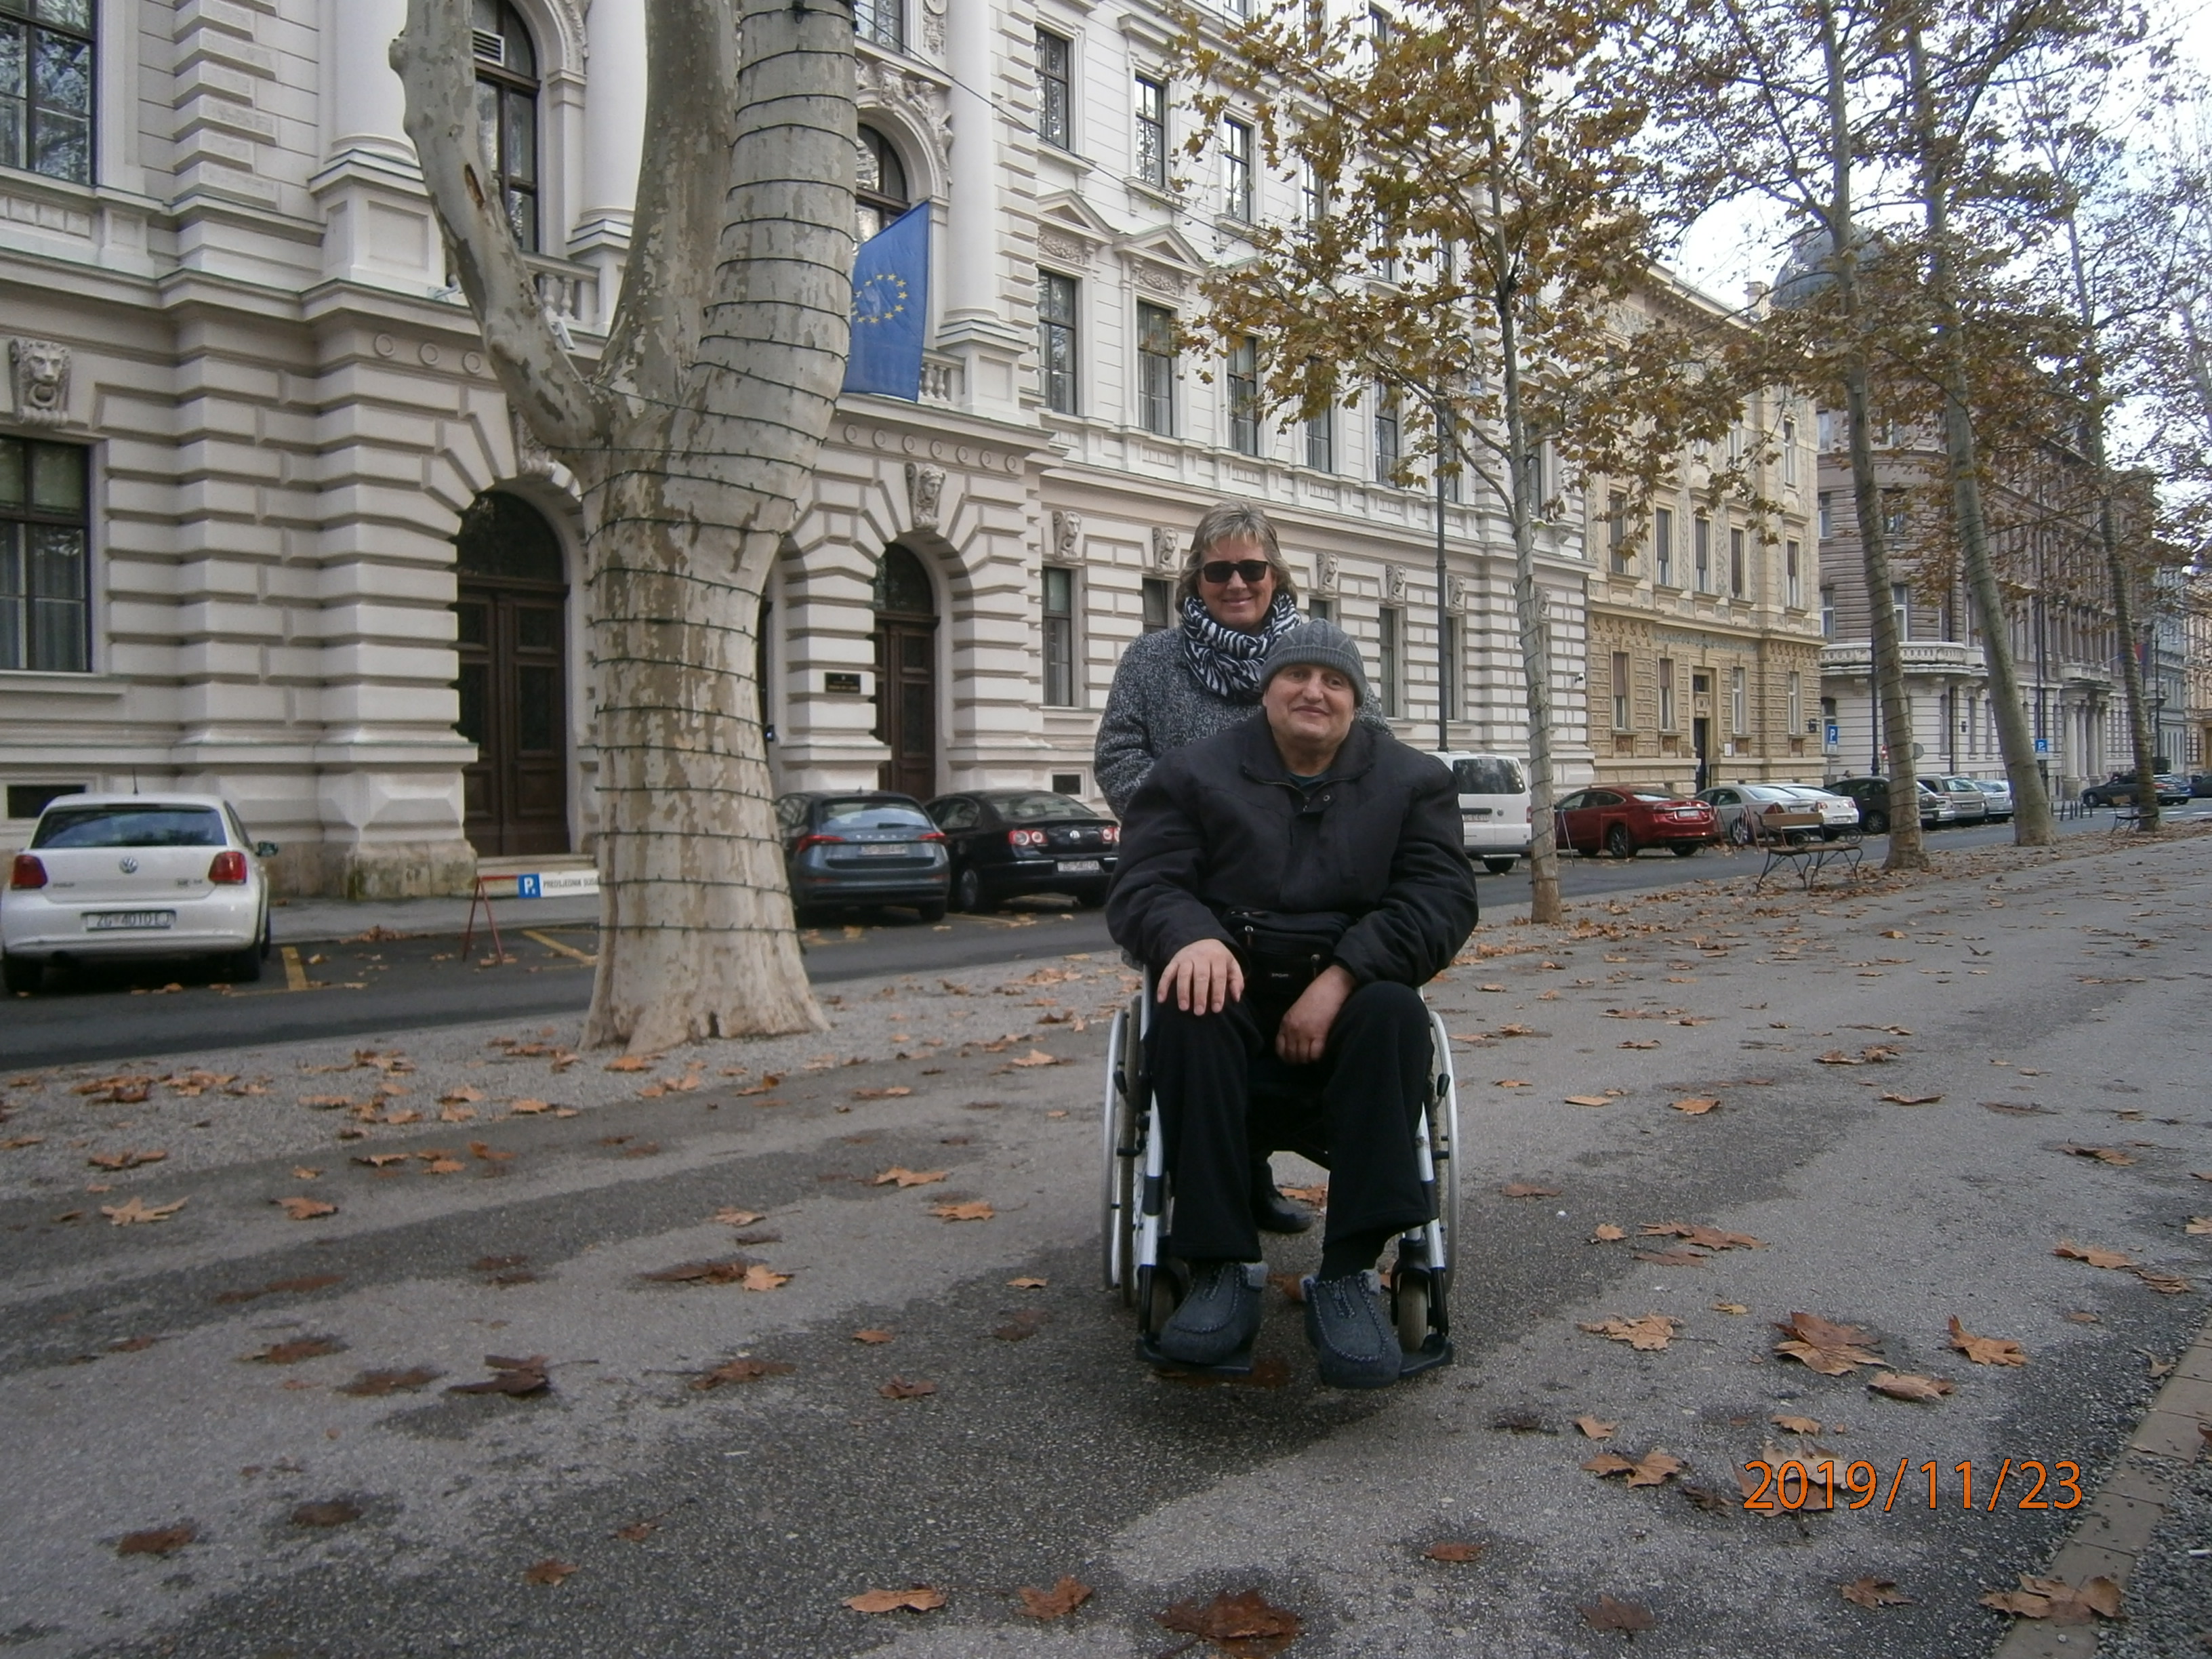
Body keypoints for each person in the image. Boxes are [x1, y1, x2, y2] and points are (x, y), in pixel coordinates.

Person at [1107, 620, 1478, 1388]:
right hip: (1232, 988)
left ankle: (1347, 1275)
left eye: (1334, 681)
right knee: (1187, 1007)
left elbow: (1440, 899)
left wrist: (1340, 979)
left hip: (1351, 997)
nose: (1315, 692)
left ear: (1356, 701)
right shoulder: (1192, 774)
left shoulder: (1412, 781)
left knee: (1395, 1012)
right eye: (1297, 676)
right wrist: (1190, 935)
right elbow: (1145, 883)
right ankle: (1219, 1266)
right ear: (1267, 690)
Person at [1094, 501, 1384, 1235]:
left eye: (1251, 568)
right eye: (1218, 570)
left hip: (1309, 882)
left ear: (1274, 575)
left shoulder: (1318, 656)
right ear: (1195, 579)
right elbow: (1119, 756)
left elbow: (1370, 753)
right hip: (1192, 886)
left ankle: (1292, 1187)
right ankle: (1228, 1187)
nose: (1236, 583)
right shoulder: (1152, 661)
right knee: (1199, 1018)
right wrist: (1196, 820)